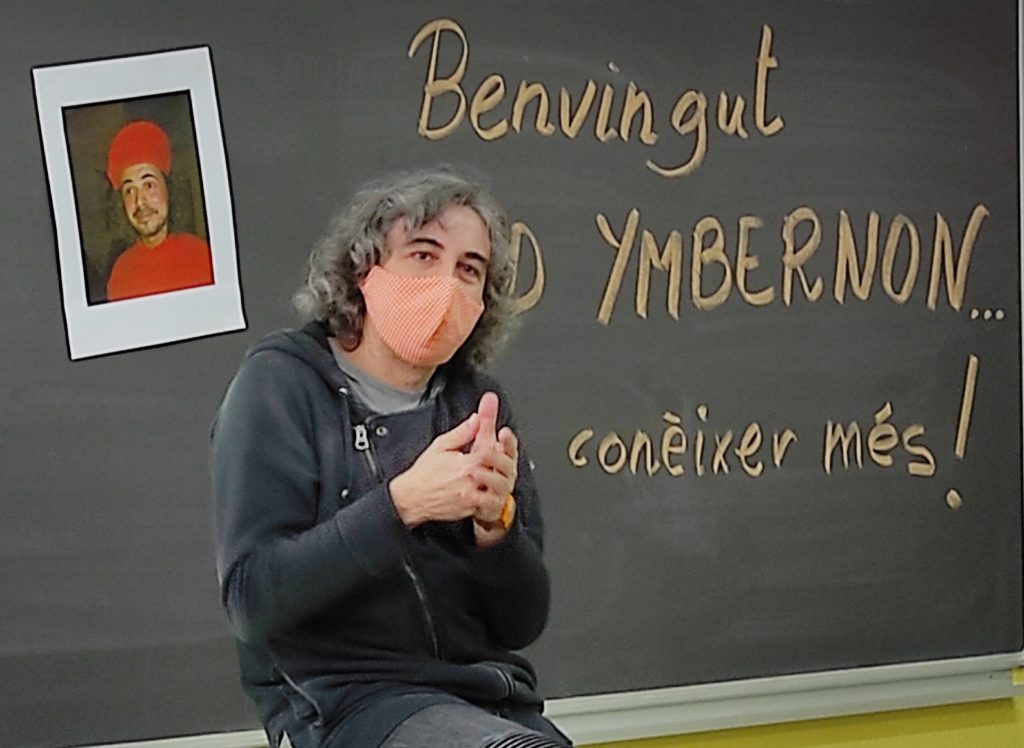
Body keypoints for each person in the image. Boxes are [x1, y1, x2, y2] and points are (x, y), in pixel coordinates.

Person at [211, 167, 572, 748]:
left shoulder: (477, 405)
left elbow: (520, 625)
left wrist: (496, 530)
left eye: (469, 270)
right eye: (423, 255)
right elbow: (252, 601)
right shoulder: (280, 385)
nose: (447, 284)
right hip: (347, 709)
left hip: (490, 701)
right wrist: (401, 506)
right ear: (364, 270)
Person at [104, 120, 214, 301]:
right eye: (129, 191)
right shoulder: (120, 274)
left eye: (149, 185)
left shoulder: (203, 257)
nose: (140, 202)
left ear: (168, 189)